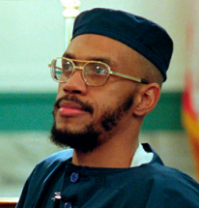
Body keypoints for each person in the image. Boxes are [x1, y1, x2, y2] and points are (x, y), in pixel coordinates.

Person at [16, 8, 199, 208]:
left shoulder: (168, 196)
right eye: (68, 66)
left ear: (144, 99)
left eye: (98, 70)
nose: (70, 84)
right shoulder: (46, 173)